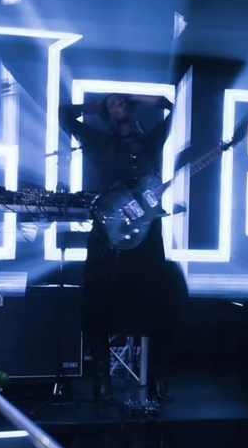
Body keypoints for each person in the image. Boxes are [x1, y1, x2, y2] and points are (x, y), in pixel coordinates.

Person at [59, 93, 187, 405]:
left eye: (122, 104)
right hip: (108, 234)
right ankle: (102, 380)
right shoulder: (98, 142)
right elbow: (65, 115)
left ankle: (159, 377)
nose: (118, 107)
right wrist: (100, 106)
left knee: (164, 300)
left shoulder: (151, 143)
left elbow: (174, 108)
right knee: (98, 301)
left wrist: (137, 99)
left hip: (148, 237)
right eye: (113, 105)